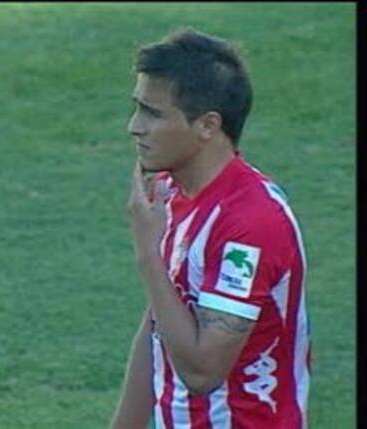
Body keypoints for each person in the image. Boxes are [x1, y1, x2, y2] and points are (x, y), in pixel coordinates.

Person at [110, 29, 310, 428]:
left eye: (152, 113)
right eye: (137, 108)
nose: (134, 126)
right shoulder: (171, 193)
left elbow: (203, 372)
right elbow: (159, 322)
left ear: (207, 125)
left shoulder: (250, 223)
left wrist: (148, 255)